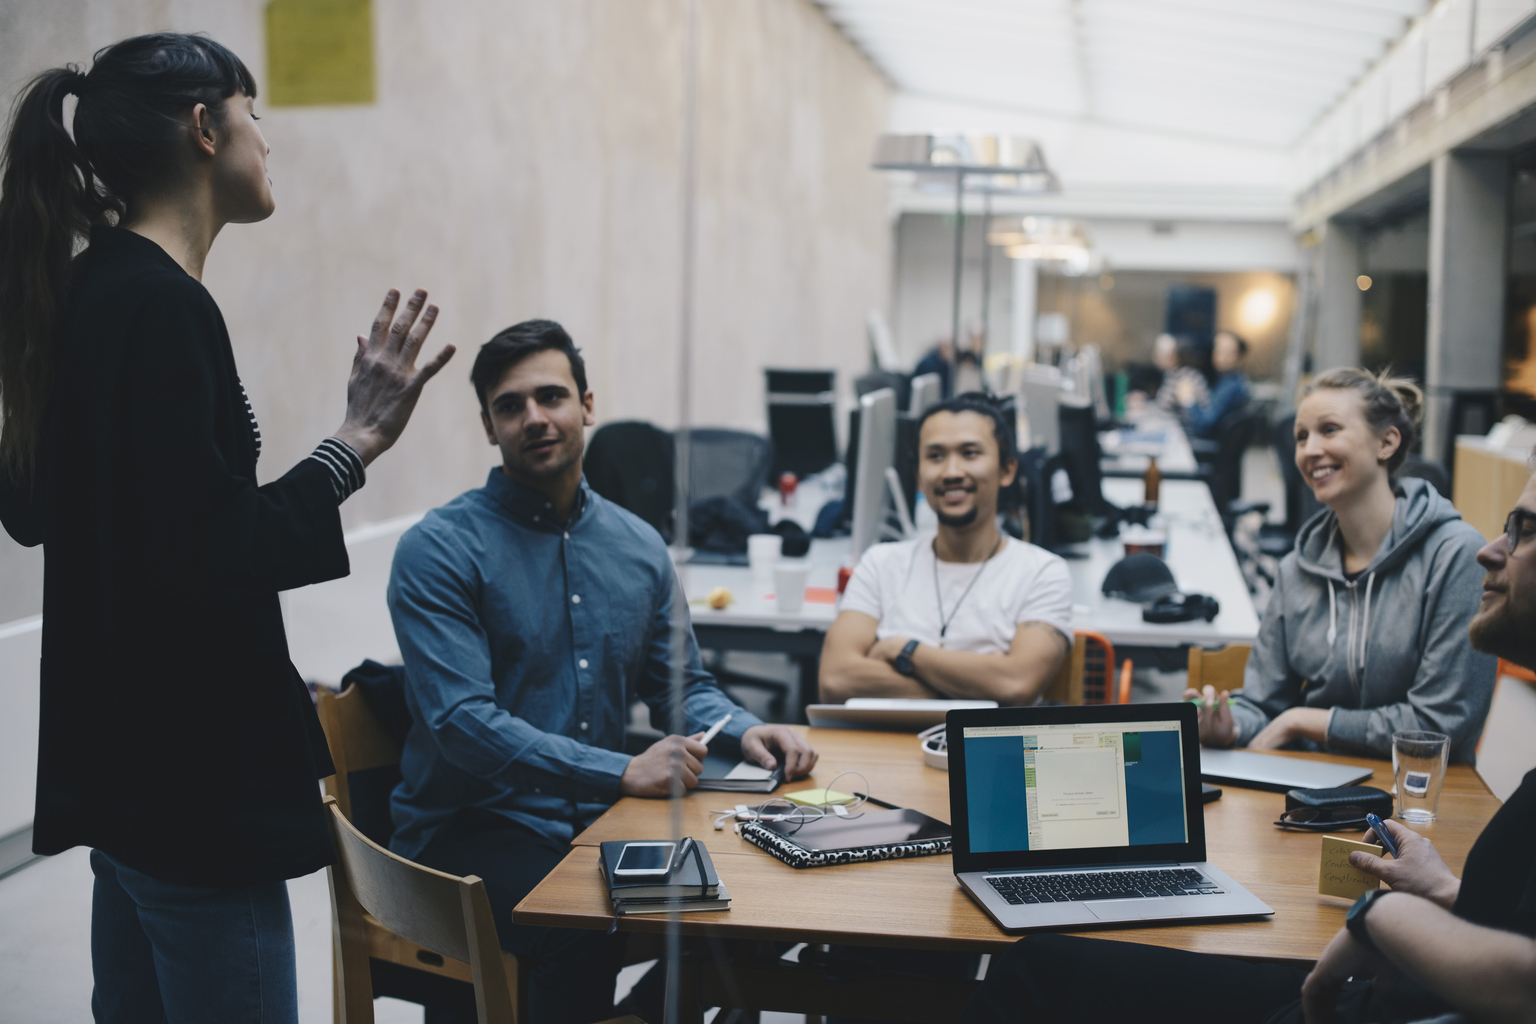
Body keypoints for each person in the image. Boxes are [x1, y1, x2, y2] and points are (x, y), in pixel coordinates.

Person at [0, 35, 453, 1023]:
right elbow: (215, 553)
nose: (267, 145)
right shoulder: (162, 307)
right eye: (257, 119)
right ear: (207, 128)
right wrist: (354, 441)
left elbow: (34, 509)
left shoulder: (87, 291)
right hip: (194, 799)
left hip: (129, 793)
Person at [958, 478, 1536, 1024]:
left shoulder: (1446, 554)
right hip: (1398, 987)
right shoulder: (1299, 565)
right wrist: (1443, 890)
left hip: (1398, 1003)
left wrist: (1384, 917)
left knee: (1037, 968)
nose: (1491, 550)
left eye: (1526, 530)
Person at [386, 319, 817, 1023]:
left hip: (595, 822)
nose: (534, 418)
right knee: (578, 921)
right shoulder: (439, 549)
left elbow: (680, 687)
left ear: (587, 405)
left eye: (551, 396)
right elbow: (465, 726)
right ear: (488, 427)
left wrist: (745, 729)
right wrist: (618, 773)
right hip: (468, 831)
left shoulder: (637, 544)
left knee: (764, 891)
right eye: (510, 406)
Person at [1187, 368, 1494, 763]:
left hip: (1420, 801)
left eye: (1329, 430)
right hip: (1305, 791)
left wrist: (1303, 721)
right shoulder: (1296, 569)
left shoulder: (1456, 557)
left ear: (1387, 442)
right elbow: (1264, 705)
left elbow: (1438, 726)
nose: (1309, 449)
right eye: (1301, 436)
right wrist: (1230, 726)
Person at [819, 392, 1073, 706]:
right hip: (882, 748)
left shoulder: (1042, 572)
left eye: (970, 453)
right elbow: (835, 679)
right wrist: (978, 684)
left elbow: (1016, 684)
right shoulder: (880, 563)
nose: (951, 472)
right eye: (935, 456)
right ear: (918, 477)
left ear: (1007, 470)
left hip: (985, 753)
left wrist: (903, 650)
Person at [1186, 329, 1252, 438]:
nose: (1221, 356)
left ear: (1240, 357)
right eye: (1218, 350)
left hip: (1209, 442)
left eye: (1227, 352)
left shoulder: (1231, 386)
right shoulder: (1227, 380)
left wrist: (1188, 399)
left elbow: (1204, 425)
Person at [1152, 333, 1209, 416]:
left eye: (1159, 355)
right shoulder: (1174, 373)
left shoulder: (1184, 376)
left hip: (1190, 426)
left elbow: (1163, 405)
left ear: (1172, 356)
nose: (1155, 358)